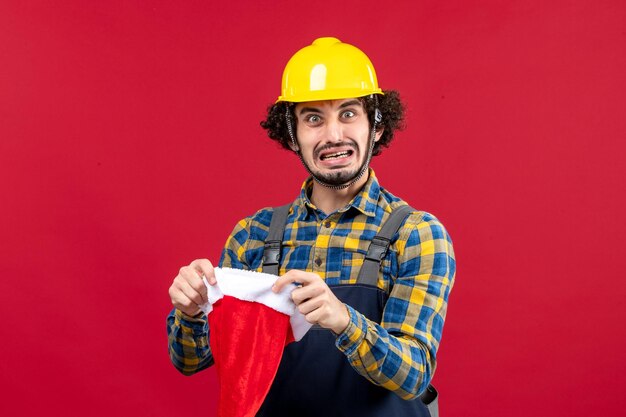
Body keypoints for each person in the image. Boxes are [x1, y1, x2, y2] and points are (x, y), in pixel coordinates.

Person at [167, 37, 456, 417]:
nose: (333, 135)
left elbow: (414, 375)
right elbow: (191, 361)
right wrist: (190, 311)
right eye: (314, 118)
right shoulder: (253, 235)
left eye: (349, 113)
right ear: (292, 136)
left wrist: (344, 321)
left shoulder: (417, 234)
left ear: (377, 126)